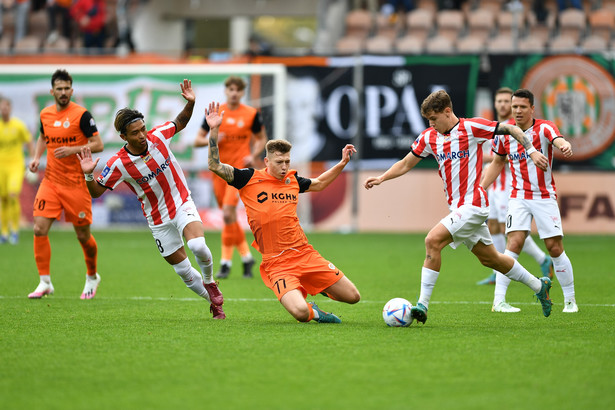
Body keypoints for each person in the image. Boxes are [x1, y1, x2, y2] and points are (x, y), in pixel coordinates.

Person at [364, 89, 554, 324]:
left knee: (432, 240)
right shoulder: (429, 138)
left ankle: (422, 304)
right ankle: (539, 285)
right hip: (458, 209)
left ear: (447, 111)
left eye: (434, 119)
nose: (431, 124)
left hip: (474, 204)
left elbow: (511, 128)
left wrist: (532, 150)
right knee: (492, 259)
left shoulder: (471, 128)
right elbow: (405, 163)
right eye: (428, 120)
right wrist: (382, 178)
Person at [77, 80, 225, 319]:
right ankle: (215, 303)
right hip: (157, 219)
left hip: (181, 202)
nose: (142, 135)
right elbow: (96, 192)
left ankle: (210, 282)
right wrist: (87, 174)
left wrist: (191, 103)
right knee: (183, 272)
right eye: (135, 133)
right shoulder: (118, 163)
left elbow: (180, 122)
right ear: (123, 136)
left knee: (197, 245)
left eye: (143, 129)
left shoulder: (158, 136)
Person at [206, 101, 360, 323]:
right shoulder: (248, 178)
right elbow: (214, 165)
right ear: (267, 161)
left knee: (353, 297)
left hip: (305, 254)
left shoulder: (293, 180)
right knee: (301, 313)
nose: (285, 166)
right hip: (276, 264)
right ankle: (317, 312)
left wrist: (342, 163)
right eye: (279, 162)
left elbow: (319, 183)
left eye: (288, 161)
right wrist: (214, 130)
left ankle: (313, 285)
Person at [482, 88, 578, 313]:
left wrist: (564, 145)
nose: (517, 111)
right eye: (514, 107)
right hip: (518, 196)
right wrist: (481, 188)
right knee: (512, 244)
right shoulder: (505, 132)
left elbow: (558, 139)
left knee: (554, 247)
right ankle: (499, 301)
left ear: (532, 108)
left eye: (522, 107)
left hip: (544, 197)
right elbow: (497, 163)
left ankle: (570, 300)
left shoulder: (544, 127)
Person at [28, 69, 103, 300]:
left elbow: (98, 144)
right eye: (59, 89)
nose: (63, 92)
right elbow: (43, 137)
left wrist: (72, 150)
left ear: (72, 90)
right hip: (50, 181)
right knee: (39, 229)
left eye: (66, 88)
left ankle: (92, 276)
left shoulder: (81, 115)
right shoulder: (46, 114)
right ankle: (45, 282)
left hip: (76, 184)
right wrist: (36, 157)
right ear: (52, 91)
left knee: (82, 235)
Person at [476, 87, 554, 300]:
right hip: (493, 185)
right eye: (499, 101)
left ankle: (531, 261)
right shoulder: (493, 126)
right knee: (493, 226)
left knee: (507, 230)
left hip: (510, 186)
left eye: (505, 101)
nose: (502, 105)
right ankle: (500, 270)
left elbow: (505, 158)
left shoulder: (517, 128)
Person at [194, 76, 267, 280]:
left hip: (239, 172)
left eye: (238, 89)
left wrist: (253, 156)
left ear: (242, 92)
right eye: (231, 89)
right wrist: (214, 137)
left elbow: (262, 139)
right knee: (230, 217)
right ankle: (246, 257)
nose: (234, 92)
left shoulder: (251, 114)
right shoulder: (216, 114)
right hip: (218, 172)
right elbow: (198, 140)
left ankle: (225, 263)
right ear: (226, 91)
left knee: (227, 213)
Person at [0, 96, 33, 245]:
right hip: (1, 167)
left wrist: (33, 159)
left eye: (6, 106)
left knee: (13, 196)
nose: (3, 109)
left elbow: (29, 141)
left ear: (10, 108)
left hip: (15, 165)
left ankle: (14, 231)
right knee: (4, 199)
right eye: (1, 107)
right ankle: (4, 232)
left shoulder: (18, 125)